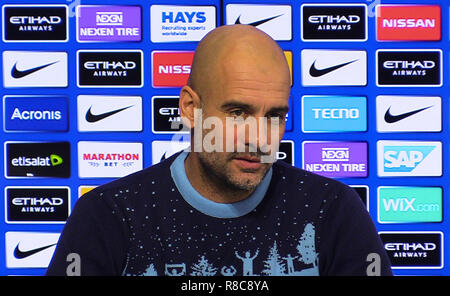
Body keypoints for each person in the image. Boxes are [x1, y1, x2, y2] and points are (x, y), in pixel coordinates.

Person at [46, 25, 392, 276]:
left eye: (274, 115)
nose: (259, 138)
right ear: (189, 108)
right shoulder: (109, 215)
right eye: (238, 113)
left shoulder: (332, 211)